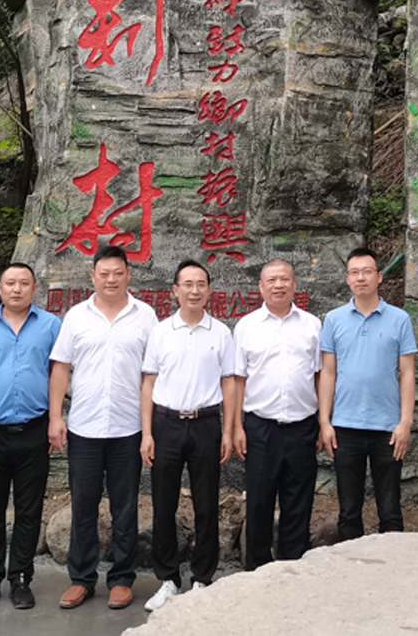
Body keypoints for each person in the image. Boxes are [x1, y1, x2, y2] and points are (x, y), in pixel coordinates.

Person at [48, 244, 157, 610]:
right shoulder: (76, 317)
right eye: (104, 274)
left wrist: (149, 429)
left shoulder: (146, 316)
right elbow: (61, 368)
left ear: (128, 275)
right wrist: (55, 418)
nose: (111, 280)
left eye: (118, 273)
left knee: (125, 507)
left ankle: (122, 578)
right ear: (92, 276)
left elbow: (152, 375)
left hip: (128, 428)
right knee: (84, 506)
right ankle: (82, 578)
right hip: (84, 428)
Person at [0, 261, 62, 610]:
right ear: (0, 288)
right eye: (10, 283)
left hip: (34, 430)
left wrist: (55, 420)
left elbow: (57, 374)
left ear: (35, 289)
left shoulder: (50, 325)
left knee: (28, 510)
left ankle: (20, 579)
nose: (17, 289)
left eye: (24, 283)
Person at [140, 261, 237, 611]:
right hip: (166, 424)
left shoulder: (221, 333)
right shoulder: (161, 332)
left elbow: (229, 382)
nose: (194, 290)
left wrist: (228, 430)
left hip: (206, 424)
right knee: (163, 504)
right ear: (175, 290)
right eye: (187, 284)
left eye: (200, 284)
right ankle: (168, 579)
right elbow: (148, 384)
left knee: (206, 505)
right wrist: (147, 432)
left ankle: (201, 578)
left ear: (209, 290)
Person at [318, 246, 418, 539]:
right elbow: (328, 372)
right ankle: (352, 565)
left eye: (366, 272)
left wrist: (405, 422)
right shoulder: (334, 319)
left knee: (390, 508)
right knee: (349, 509)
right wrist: (325, 421)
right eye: (354, 272)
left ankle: (392, 563)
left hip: (388, 428)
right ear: (347, 278)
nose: (360, 278)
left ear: (379, 277)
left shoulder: (399, 319)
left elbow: (408, 373)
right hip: (345, 426)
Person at [231, 259, 322, 569]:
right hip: (260, 428)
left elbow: (320, 375)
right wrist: (236, 427)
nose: (279, 285)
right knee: (259, 500)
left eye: (285, 279)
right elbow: (238, 379)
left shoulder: (311, 325)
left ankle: (291, 569)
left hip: (303, 426)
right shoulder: (246, 326)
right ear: (261, 287)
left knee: (299, 501)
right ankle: (257, 571)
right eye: (271, 280)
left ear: (294, 285)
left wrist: (323, 421)